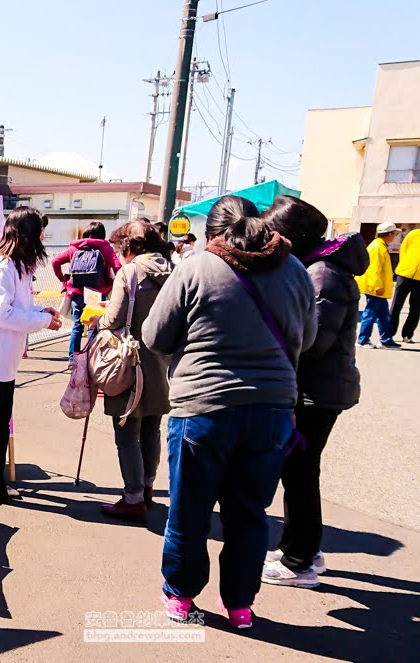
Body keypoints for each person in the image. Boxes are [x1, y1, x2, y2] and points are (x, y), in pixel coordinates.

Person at [143, 196, 316, 629]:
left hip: (203, 407)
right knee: (249, 513)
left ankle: (181, 596)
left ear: (212, 234)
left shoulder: (196, 267)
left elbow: (154, 335)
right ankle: (239, 605)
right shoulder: (295, 270)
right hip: (272, 412)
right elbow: (307, 338)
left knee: (189, 510)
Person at [260, 196, 366, 588]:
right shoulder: (322, 268)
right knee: (301, 471)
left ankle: (298, 561)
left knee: (300, 472)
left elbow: (313, 341)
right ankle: (305, 549)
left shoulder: (321, 274)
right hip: (320, 388)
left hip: (316, 391)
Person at [0, 207, 62, 502]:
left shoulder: (18, 267)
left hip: (1, 360)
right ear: (27, 233)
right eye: (39, 229)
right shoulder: (2, 267)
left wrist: (42, 312)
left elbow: (17, 309)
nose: (43, 236)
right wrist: (42, 320)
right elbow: (0, 314)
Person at [96, 220, 172, 522]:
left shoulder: (130, 273)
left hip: (130, 363)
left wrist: (98, 318)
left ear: (128, 246)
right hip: (162, 364)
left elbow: (112, 320)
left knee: (127, 432)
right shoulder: (173, 270)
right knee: (152, 428)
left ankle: (132, 497)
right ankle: (148, 487)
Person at [50, 221, 122, 358]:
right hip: (97, 292)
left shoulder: (74, 248)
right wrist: (117, 283)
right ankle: (90, 356)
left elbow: (55, 262)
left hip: (77, 292)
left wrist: (63, 279)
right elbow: (118, 266)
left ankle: (73, 357)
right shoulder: (105, 248)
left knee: (77, 325)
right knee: (93, 325)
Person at [357, 221, 400, 349]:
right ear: (390, 234)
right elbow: (373, 269)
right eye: (394, 234)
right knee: (371, 314)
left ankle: (386, 339)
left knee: (383, 315)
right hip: (376, 288)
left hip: (378, 287)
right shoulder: (377, 247)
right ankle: (363, 340)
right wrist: (377, 286)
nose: (395, 237)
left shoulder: (380, 246)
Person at [390, 227, 420, 343]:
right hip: (404, 274)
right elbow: (404, 249)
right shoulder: (414, 234)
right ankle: (389, 334)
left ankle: (407, 335)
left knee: (416, 309)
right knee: (396, 305)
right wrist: (406, 265)